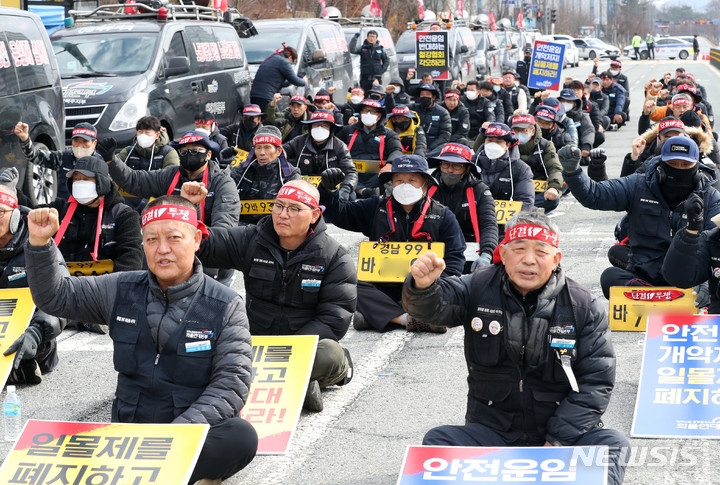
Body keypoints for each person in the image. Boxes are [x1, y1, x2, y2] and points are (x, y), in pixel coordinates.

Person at [24, 196, 259, 484]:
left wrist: (175, 436)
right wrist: (40, 245)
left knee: (240, 437)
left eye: (174, 238)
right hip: (129, 437)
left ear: (197, 239)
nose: (162, 249)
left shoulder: (225, 304)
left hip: (184, 434)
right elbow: (56, 296)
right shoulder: (120, 288)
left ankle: (175, 471)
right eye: (151, 239)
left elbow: (230, 384)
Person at [402, 211, 629, 485]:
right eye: (519, 250)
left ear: (556, 259)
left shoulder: (583, 306)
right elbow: (433, 308)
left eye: (541, 252)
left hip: (559, 439)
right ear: (504, 253)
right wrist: (422, 287)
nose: (529, 260)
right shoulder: (477, 286)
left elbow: (597, 382)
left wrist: (556, 443)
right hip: (493, 434)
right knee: (438, 441)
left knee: (612, 444)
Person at [188, 179, 356, 413]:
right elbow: (203, 244)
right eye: (279, 206)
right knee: (198, 342)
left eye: (294, 209)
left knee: (330, 353)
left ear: (315, 214)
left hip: (304, 346)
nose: (283, 214)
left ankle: (298, 378)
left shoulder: (335, 257)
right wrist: (188, 209)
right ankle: (299, 385)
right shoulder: (252, 239)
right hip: (254, 341)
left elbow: (334, 320)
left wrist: (284, 351)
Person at [318, 155, 466, 333]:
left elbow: (456, 256)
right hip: (383, 288)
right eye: (399, 180)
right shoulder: (375, 207)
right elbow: (340, 213)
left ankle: (376, 316)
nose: (405, 185)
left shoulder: (443, 215)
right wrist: (328, 190)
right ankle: (408, 319)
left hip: (424, 289)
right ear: (391, 183)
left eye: (412, 180)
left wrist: (438, 285)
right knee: (349, 283)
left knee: (452, 286)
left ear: (426, 184)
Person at [559, 137, 720, 299]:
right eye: (672, 164)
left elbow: (714, 243)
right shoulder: (638, 185)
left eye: (686, 165)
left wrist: (704, 282)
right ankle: (658, 297)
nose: (679, 169)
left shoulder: (710, 198)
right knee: (610, 276)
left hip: (687, 280)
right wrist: (573, 173)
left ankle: (658, 298)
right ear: (660, 166)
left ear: (697, 168)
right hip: (644, 277)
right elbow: (595, 194)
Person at [101, 131, 240, 286]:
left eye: (195, 150)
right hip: (172, 250)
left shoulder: (223, 183)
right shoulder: (170, 175)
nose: (189, 154)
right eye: (184, 151)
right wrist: (111, 160)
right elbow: (136, 180)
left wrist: (192, 213)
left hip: (210, 260)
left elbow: (224, 231)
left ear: (208, 155)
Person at [48, 156, 143, 333]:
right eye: (76, 179)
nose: (79, 183)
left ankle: (87, 316)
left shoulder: (124, 215)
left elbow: (131, 260)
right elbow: (29, 218)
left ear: (102, 182)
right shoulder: (59, 208)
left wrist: (113, 298)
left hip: (102, 289)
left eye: (86, 179)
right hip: (63, 286)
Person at [0, 168, 65, 385]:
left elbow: (62, 295)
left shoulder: (40, 244)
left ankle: (24, 365)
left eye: (0, 213)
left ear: (16, 214)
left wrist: (37, 332)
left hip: (33, 333)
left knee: (33, 345)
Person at [428, 143, 498, 274]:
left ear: (467, 169)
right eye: (445, 164)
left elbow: (489, 224)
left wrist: (487, 254)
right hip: (431, 251)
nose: (450, 170)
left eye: (456, 166)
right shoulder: (426, 187)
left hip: (469, 254)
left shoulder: (480, 190)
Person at [231, 126, 301, 224]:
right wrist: (225, 167)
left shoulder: (290, 174)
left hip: (277, 226)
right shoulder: (242, 171)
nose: (262, 153)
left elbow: (294, 208)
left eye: (267, 147)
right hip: (242, 227)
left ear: (278, 151)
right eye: (258, 148)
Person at [15, 122, 100, 201]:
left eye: (85, 141)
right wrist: (25, 139)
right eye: (76, 140)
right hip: (65, 210)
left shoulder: (100, 163)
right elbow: (36, 155)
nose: (80, 145)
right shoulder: (63, 157)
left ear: (94, 143)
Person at [283, 109, 356, 200]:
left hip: (331, 187)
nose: (320, 128)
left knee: (351, 196)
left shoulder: (339, 146)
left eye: (324, 125)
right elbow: (279, 153)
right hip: (303, 187)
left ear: (331, 128)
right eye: (316, 125)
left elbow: (351, 171)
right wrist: (291, 171)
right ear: (310, 127)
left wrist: (345, 188)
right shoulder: (299, 141)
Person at [336, 99, 402, 198]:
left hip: (376, 174)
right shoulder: (347, 130)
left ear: (379, 116)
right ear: (361, 113)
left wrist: (390, 164)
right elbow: (333, 143)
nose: (368, 113)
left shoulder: (388, 134)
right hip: (351, 172)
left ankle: (363, 191)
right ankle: (362, 191)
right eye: (365, 111)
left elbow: (397, 150)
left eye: (372, 111)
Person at [471, 123, 534, 219]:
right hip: (470, 220)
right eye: (490, 140)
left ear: (507, 145)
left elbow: (526, 203)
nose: (493, 145)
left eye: (498, 142)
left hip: (504, 225)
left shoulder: (521, 169)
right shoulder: (471, 163)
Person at [508, 114, 562, 213]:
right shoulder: (505, 144)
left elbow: (554, 168)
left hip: (537, 192)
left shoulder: (545, 145)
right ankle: (527, 210)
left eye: (524, 130)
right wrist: (483, 135)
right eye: (516, 130)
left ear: (532, 131)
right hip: (511, 191)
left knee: (553, 199)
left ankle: (521, 210)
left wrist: (554, 187)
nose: (519, 133)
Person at [250, 43, 306, 112]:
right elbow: (295, 80)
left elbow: (275, 82)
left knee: (258, 118)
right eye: (292, 62)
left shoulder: (271, 59)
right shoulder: (284, 62)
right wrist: (304, 82)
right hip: (266, 97)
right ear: (290, 57)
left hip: (254, 96)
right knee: (274, 119)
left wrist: (289, 83)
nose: (291, 64)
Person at [411, 84, 452, 153]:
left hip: (434, 151)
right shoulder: (412, 108)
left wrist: (430, 149)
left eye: (427, 94)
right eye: (422, 94)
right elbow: (395, 110)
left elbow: (445, 136)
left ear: (433, 97)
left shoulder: (443, 113)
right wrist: (389, 96)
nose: (425, 97)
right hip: (413, 148)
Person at [349, 29, 389, 94]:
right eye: (370, 36)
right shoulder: (362, 48)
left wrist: (380, 72)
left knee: (377, 96)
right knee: (365, 97)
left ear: (376, 39)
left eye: (373, 37)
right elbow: (352, 50)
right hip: (365, 79)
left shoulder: (380, 49)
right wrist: (354, 39)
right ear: (367, 38)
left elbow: (386, 61)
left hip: (376, 79)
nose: (371, 38)